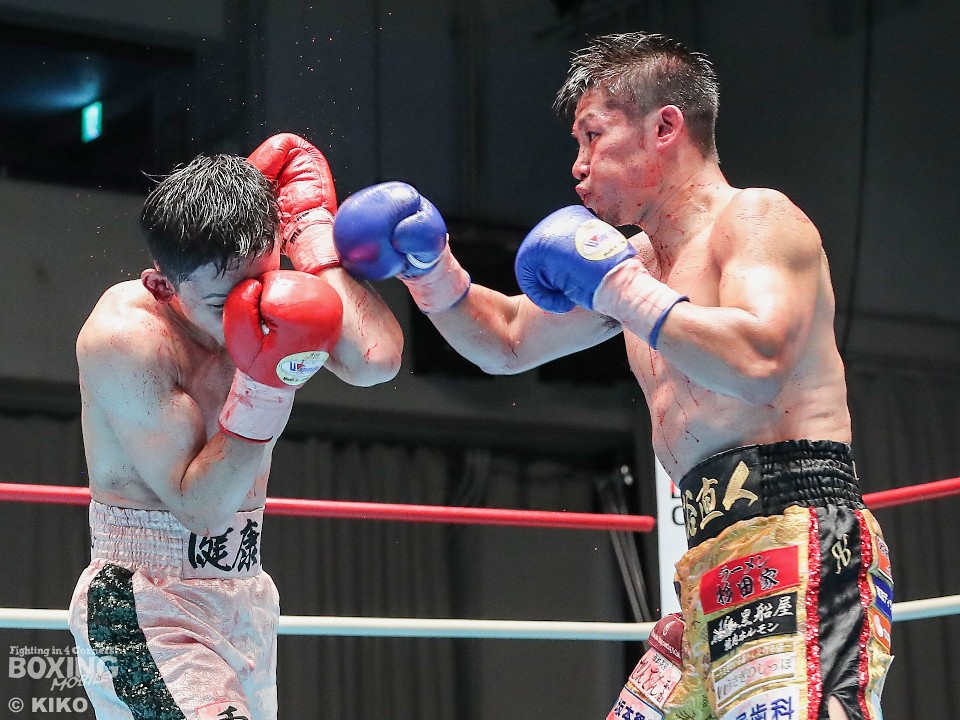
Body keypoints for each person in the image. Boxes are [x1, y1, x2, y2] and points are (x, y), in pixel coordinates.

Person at [329, 33, 892, 720]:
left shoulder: (756, 219)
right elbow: (506, 340)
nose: (579, 165)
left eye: (593, 136)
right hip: (707, 565)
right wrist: (430, 268)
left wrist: (621, 289)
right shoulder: (634, 264)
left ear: (664, 127)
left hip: (799, 534)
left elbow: (760, 362)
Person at [68, 133, 403, 719]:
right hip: (147, 603)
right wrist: (268, 382)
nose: (255, 313)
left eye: (264, 286)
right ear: (163, 287)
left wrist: (311, 237)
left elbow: (375, 361)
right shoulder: (126, 338)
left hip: (246, 594)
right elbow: (201, 509)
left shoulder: (264, 289)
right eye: (226, 306)